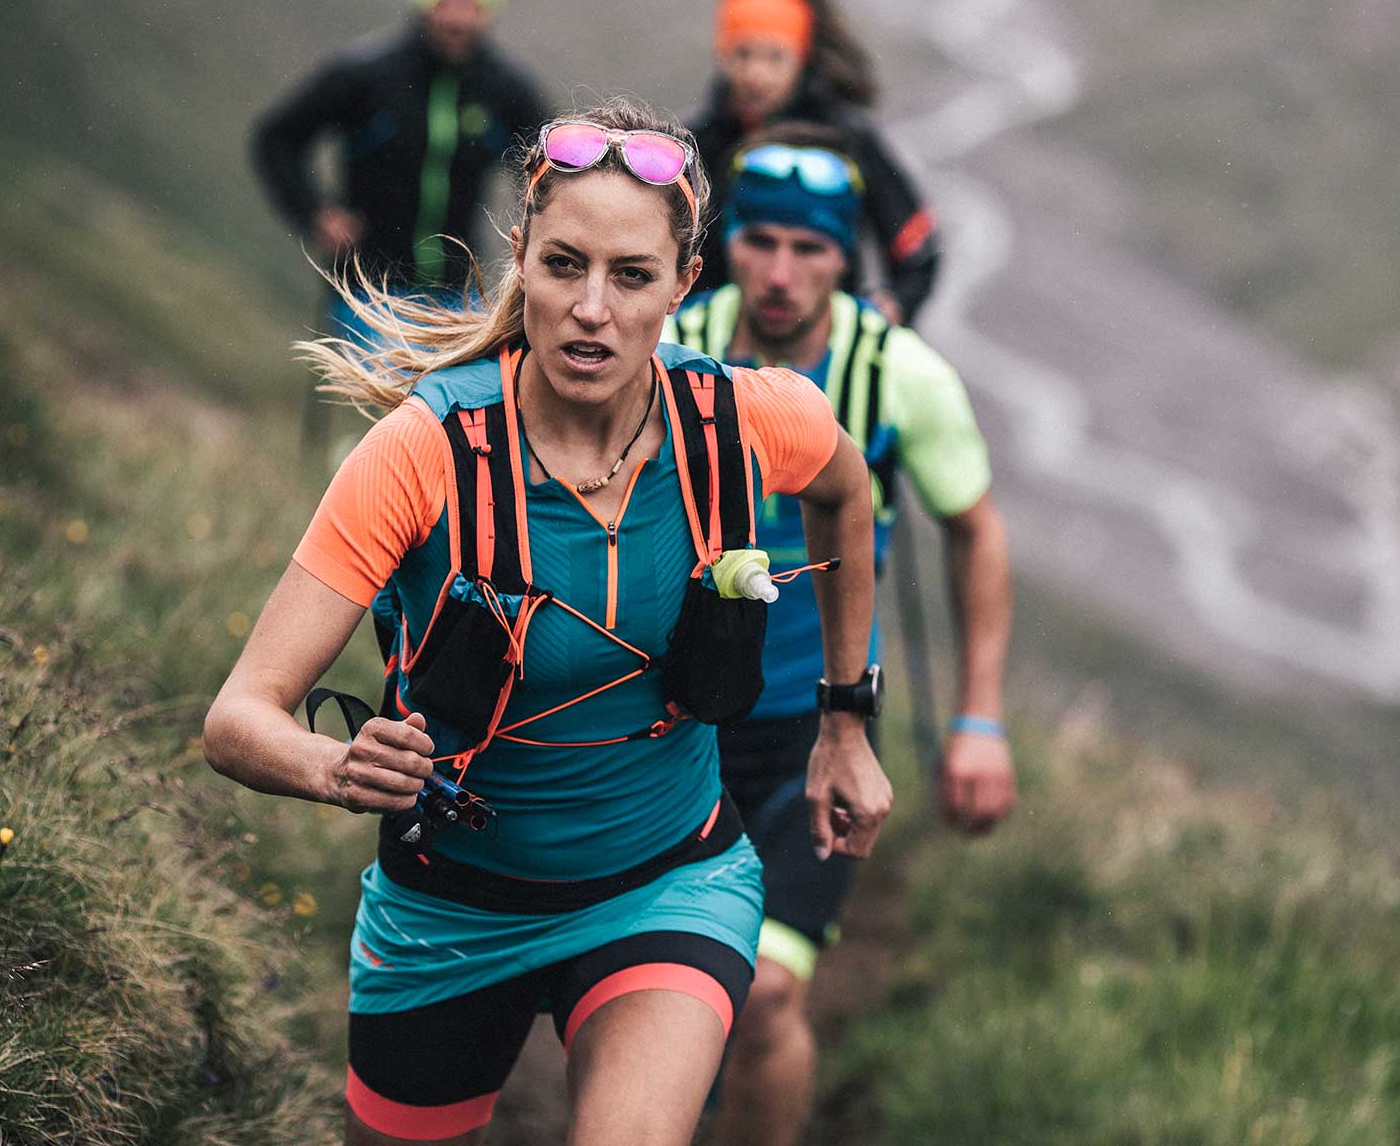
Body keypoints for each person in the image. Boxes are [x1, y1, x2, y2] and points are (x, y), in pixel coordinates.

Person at [204, 99, 892, 1146]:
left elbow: (848, 494)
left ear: (683, 284)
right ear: (519, 255)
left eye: (631, 276)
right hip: (449, 907)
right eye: (564, 265)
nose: (591, 310)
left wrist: (844, 719)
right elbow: (238, 716)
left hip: (668, 882)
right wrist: (332, 766)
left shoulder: (745, 419)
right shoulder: (421, 452)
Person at [663, 128, 1016, 1146]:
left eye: (809, 249)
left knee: (765, 992)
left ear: (845, 256)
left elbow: (977, 531)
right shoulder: (676, 339)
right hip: (671, 728)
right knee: (655, 992)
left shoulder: (898, 374)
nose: (780, 272)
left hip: (815, 729)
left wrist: (979, 717)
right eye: (760, 240)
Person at [251, 0, 550, 338]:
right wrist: (315, 213)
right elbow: (276, 139)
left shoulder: (507, 92)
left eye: (473, 6)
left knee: (451, 402)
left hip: (459, 295)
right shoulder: (365, 77)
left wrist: (540, 234)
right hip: (367, 291)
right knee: (384, 402)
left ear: (490, 12)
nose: (458, 20)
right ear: (424, 2)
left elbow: (550, 169)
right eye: (447, 3)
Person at [684, 0, 942, 325]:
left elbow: (916, 246)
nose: (756, 74)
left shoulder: (848, 138)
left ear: (801, 59)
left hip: (820, 350)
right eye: (742, 54)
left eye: (775, 57)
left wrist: (892, 309)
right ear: (721, 57)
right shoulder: (697, 143)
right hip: (715, 352)